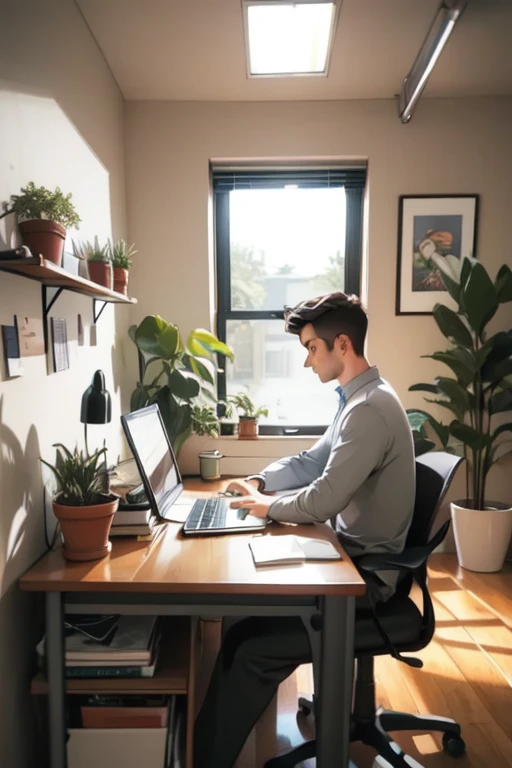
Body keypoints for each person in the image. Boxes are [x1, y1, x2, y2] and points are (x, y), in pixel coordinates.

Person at [194, 291, 415, 768]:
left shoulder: (369, 410)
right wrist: (259, 481)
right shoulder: (357, 400)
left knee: (251, 646)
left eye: (312, 348)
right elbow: (312, 461)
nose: (307, 360)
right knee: (238, 617)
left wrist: (265, 508)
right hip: (348, 556)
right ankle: (204, 749)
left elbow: (324, 498)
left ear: (342, 345)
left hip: (365, 580)